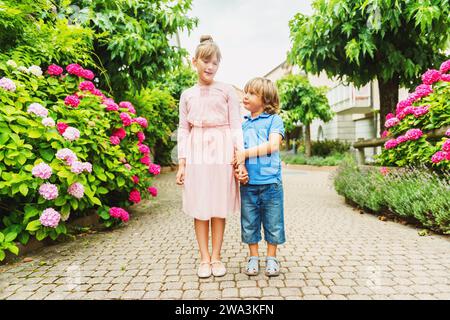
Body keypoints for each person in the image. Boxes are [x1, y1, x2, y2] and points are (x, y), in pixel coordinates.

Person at [176, 35, 247, 278]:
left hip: (223, 147)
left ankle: (216, 257)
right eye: (205, 61)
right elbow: (183, 128)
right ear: (194, 61)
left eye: (215, 62)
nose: (210, 66)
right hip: (196, 148)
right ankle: (203, 258)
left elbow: (236, 124)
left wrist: (240, 156)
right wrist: (182, 162)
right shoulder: (187, 94)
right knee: (199, 204)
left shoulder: (227, 90)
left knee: (218, 205)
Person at [233, 77, 285, 277]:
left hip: (271, 183)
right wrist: (240, 169)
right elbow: (237, 152)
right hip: (249, 185)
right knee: (249, 223)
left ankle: (272, 258)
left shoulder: (274, 120)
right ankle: (253, 257)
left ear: (266, 99)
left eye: (252, 93)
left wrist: (244, 155)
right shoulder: (242, 124)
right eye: (246, 92)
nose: (245, 96)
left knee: (273, 223)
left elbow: (273, 145)